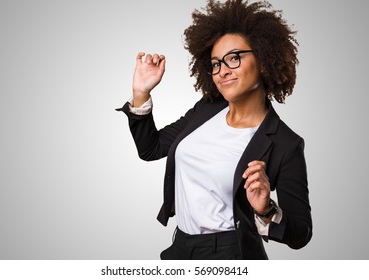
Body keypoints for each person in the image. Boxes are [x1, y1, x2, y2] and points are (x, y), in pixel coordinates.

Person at [117, 0, 312, 260]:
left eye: (234, 58)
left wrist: (266, 210)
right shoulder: (207, 109)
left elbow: (301, 234)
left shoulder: (285, 143)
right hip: (180, 247)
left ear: (263, 60)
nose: (222, 71)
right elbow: (151, 149)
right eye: (216, 63)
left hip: (232, 253)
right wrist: (141, 93)